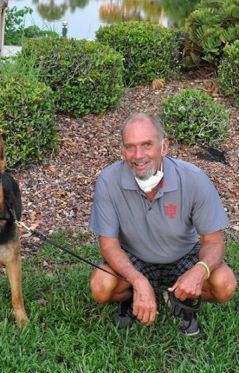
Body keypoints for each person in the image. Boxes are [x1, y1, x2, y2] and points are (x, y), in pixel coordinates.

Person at [89, 112, 237, 335]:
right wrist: (137, 280)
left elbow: (214, 241)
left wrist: (200, 270)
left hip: (183, 255)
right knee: (100, 287)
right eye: (131, 147)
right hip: (135, 258)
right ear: (123, 151)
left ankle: (176, 293)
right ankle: (134, 295)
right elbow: (109, 245)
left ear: (164, 146)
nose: (138, 155)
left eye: (147, 144)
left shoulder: (194, 179)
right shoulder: (108, 181)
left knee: (225, 285)